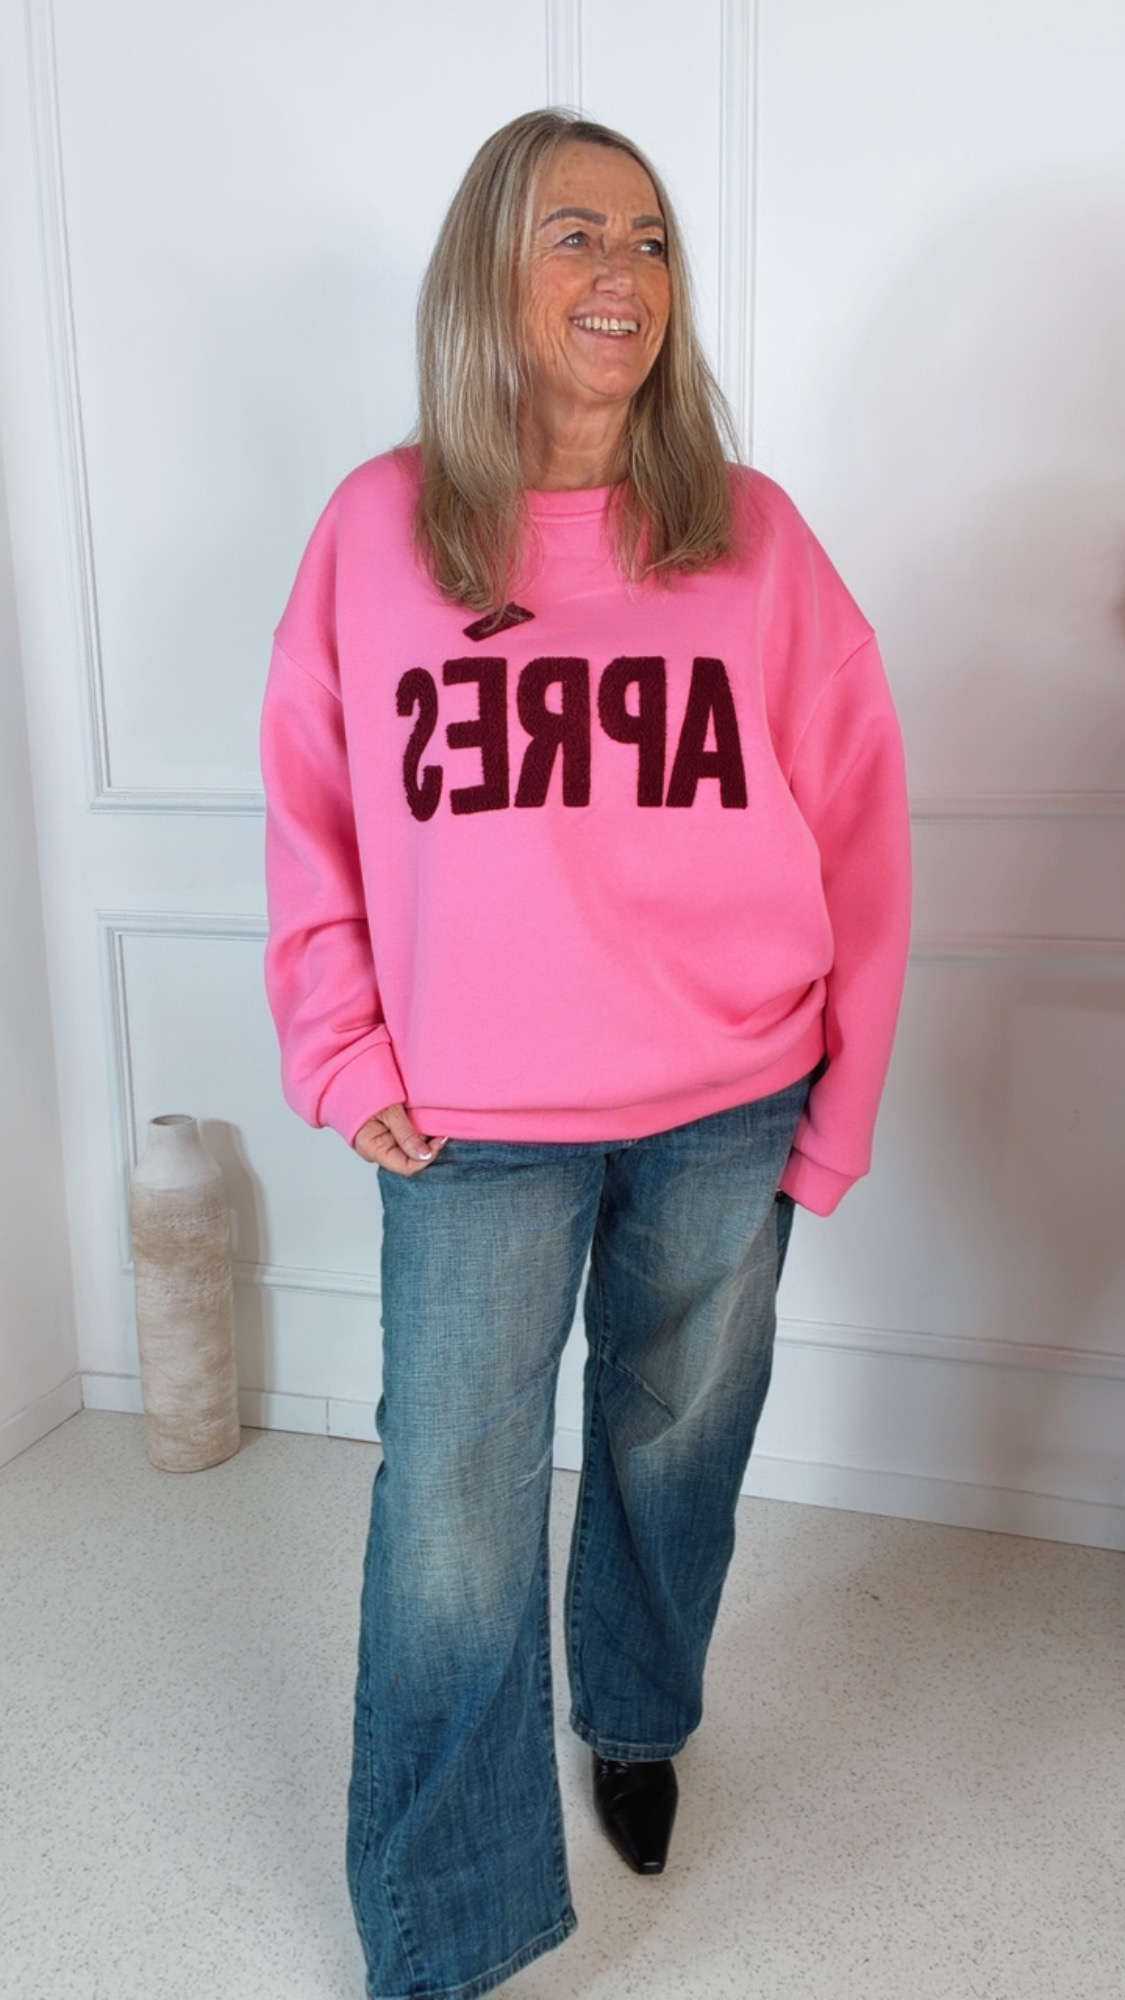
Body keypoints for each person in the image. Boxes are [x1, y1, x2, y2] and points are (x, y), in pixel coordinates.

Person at [261, 107, 911, 2000]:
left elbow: (861, 829)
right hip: (470, 1123)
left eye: (648, 239)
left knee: (670, 1450)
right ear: (490, 270)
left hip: (729, 1101)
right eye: (573, 234)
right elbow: (310, 811)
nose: (621, 273)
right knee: (449, 1525)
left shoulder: (752, 536)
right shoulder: (379, 529)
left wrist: (839, 1107)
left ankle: (634, 1716)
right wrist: (339, 1042)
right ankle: (449, 1929)